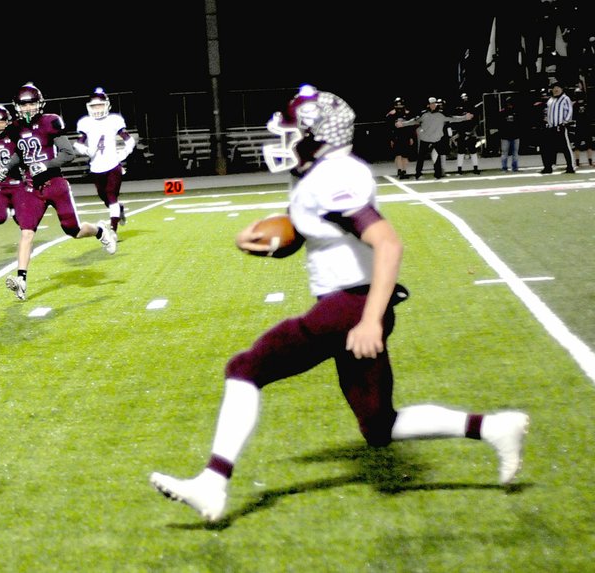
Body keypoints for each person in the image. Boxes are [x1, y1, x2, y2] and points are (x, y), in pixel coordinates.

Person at [150, 85, 529, 523]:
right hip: (355, 303)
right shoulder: (323, 174)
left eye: (294, 131)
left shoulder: (333, 177)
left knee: (245, 368)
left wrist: (369, 320)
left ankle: (212, 484)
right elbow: (317, 232)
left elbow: (386, 242)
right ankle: (494, 428)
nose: (287, 140)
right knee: (378, 425)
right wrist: (268, 242)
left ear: (318, 133)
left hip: (350, 306)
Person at [0, 83, 117, 300]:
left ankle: (100, 231)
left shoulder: (49, 121)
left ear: (39, 104)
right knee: (26, 232)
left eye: (32, 103)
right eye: (24, 104)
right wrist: (6, 167)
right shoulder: (14, 127)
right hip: (32, 187)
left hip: (55, 184)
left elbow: (68, 153)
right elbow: (19, 154)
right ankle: (21, 280)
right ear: (17, 106)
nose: (27, 108)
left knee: (74, 231)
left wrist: (46, 165)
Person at [0, 105, 47, 301]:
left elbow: (25, 155)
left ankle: (22, 278)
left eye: (2, 121)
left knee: (25, 226)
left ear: (7, 122)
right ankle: (9, 210)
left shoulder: (15, 135)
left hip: (17, 185)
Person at [73, 87, 136, 234]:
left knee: (111, 195)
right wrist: (87, 151)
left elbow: (129, 140)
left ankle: (113, 231)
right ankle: (118, 209)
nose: (97, 108)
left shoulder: (114, 120)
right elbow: (78, 143)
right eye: (94, 105)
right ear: (89, 107)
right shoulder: (86, 122)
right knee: (104, 196)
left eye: (100, 105)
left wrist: (123, 154)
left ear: (107, 105)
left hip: (113, 165)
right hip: (96, 167)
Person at [397, 97, 472, 179]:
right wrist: (403, 124)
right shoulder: (423, 114)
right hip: (425, 139)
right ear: (428, 105)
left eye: (434, 103)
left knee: (437, 156)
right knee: (421, 157)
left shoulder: (442, 114)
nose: (433, 105)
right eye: (431, 104)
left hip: (437, 139)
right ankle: (418, 174)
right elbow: (413, 121)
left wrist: (465, 117)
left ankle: (438, 174)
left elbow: (454, 118)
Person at [540, 82, 575, 174]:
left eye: (557, 88)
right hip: (551, 127)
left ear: (562, 89)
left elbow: (569, 111)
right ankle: (548, 167)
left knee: (565, 148)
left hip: (560, 127)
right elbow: (547, 111)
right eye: (554, 88)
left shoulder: (565, 98)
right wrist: (547, 121)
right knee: (548, 148)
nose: (555, 89)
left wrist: (564, 122)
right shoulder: (551, 99)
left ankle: (570, 167)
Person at [384, 97, 414, 179]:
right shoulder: (391, 114)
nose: (399, 107)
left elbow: (411, 126)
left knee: (405, 155)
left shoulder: (407, 113)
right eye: (397, 105)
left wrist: (411, 137)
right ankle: (399, 170)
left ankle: (404, 171)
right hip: (396, 136)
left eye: (400, 105)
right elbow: (389, 128)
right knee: (398, 155)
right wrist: (391, 139)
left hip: (406, 136)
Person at [452, 93, 480, 175]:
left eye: (466, 97)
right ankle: (459, 169)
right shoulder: (458, 109)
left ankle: (475, 168)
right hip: (461, 134)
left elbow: (476, 123)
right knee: (461, 152)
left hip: (470, 133)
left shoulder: (472, 108)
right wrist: (460, 133)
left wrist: (470, 133)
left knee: (473, 151)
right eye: (463, 98)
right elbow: (456, 122)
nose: (464, 99)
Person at [571, 88, 593, 168]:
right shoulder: (584, 103)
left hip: (582, 126)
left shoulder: (576, 104)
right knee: (580, 145)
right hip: (582, 126)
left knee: (586, 145)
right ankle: (583, 162)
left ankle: (584, 162)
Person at [498, 97, 521, 172]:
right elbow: (499, 125)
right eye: (508, 103)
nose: (509, 105)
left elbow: (519, 123)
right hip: (505, 136)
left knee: (515, 153)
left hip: (515, 136)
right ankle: (504, 168)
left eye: (510, 103)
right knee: (505, 153)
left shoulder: (516, 112)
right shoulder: (502, 112)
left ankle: (515, 168)